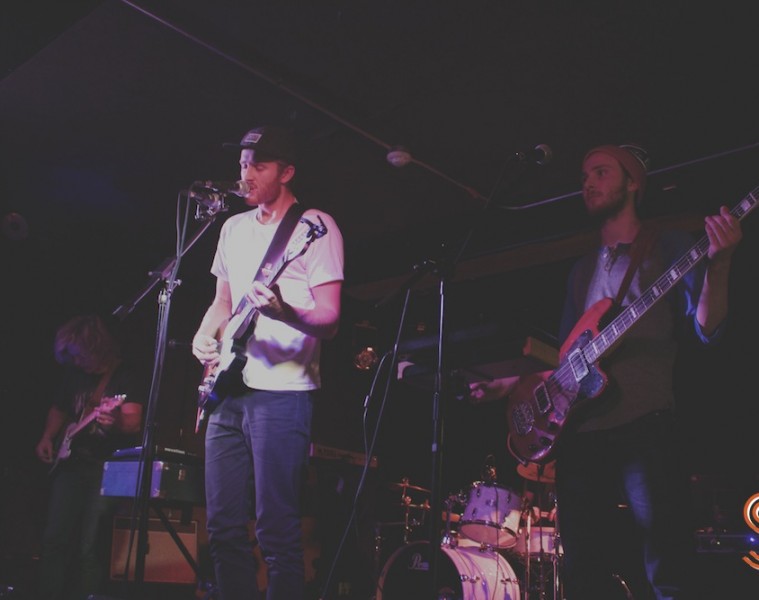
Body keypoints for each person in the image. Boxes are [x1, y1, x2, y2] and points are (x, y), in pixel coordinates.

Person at [470, 143, 742, 599]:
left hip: (645, 423)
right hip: (582, 433)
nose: (588, 183)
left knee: (668, 563)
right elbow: (563, 358)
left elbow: (707, 328)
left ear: (633, 183)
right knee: (582, 569)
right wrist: (511, 384)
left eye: (601, 172)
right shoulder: (581, 269)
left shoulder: (669, 245)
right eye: (584, 177)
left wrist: (722, 261)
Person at [191, 124, 344, 600]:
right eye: (243, 164)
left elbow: (330, 319)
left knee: (277, 530)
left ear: (287, 171)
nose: (246, 173)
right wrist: (203, 335)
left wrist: (285, 311)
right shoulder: (232, 228)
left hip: (282, 393)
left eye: (259, 165)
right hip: (226, 389)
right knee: (222, 528)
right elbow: (222, 302)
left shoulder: (315, 227)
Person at [34, 314, 144, 600]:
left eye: (79, 355)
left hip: (106, 471)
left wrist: (116, 421)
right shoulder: (75, 373)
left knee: (90, 545)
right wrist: (47, 437)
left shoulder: (125, 375)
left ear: (95, 348)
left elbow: (133, 422)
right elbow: (59, 408)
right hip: (71, 466)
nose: (75, 361)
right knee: (54, 538)